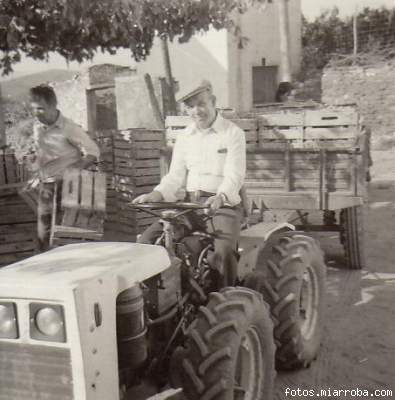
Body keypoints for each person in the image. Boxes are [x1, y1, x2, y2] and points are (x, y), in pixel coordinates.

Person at [133, 80, 246, 286]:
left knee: (224, 253)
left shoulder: (233, 133)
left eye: (201, 103)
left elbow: (234, 175)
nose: (197, 111)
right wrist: (155, 195)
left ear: (212, 101)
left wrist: (220, 197)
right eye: (191, 106)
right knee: (146, 244)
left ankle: (225, 299)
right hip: (189, 207)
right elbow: (175, 176)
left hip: (223, 206)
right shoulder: (185, 136)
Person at [25, 84, 100, 251]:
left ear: (53, 106)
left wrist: (73, 170)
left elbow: (93, 151)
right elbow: (45, 153)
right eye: (33, 109)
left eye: (41, 109)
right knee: (43, 233)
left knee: (64, 235)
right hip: (46, 185)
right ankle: (46, 269)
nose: (36, 114)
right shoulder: (37, 127)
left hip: (68, 186)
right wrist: (34, 160)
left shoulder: (69, 127)